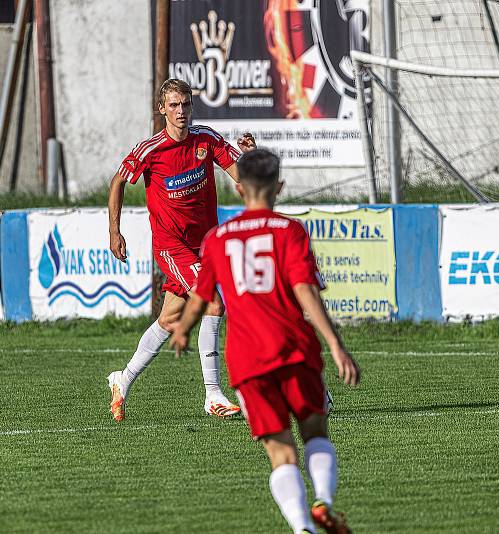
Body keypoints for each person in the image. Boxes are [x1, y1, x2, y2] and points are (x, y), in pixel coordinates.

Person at [170, 149, 361, 534]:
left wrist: (182, 329)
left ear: (238, 188)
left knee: (281, 451)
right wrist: (336, 345)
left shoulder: (218, 238)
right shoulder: (289, 231)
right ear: (279, 187)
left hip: (248, 361)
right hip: (294, 349)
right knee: (314, 432)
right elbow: (305, 291)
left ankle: (301, 526)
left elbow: (200, 296)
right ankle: (323, 499)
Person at [106, 78, 256, 422]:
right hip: (172, 246)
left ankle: (122, 378)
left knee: (169, 318)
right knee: (213, 301)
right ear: (162, 109)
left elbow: (241, 178)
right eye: (173, 105)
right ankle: (213, 394)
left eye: (186, 104)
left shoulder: (207, 140)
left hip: (205, 244)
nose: (181, 111)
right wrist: (114, 231)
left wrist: (249, 157)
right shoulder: (150, 150)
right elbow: (117, 182)